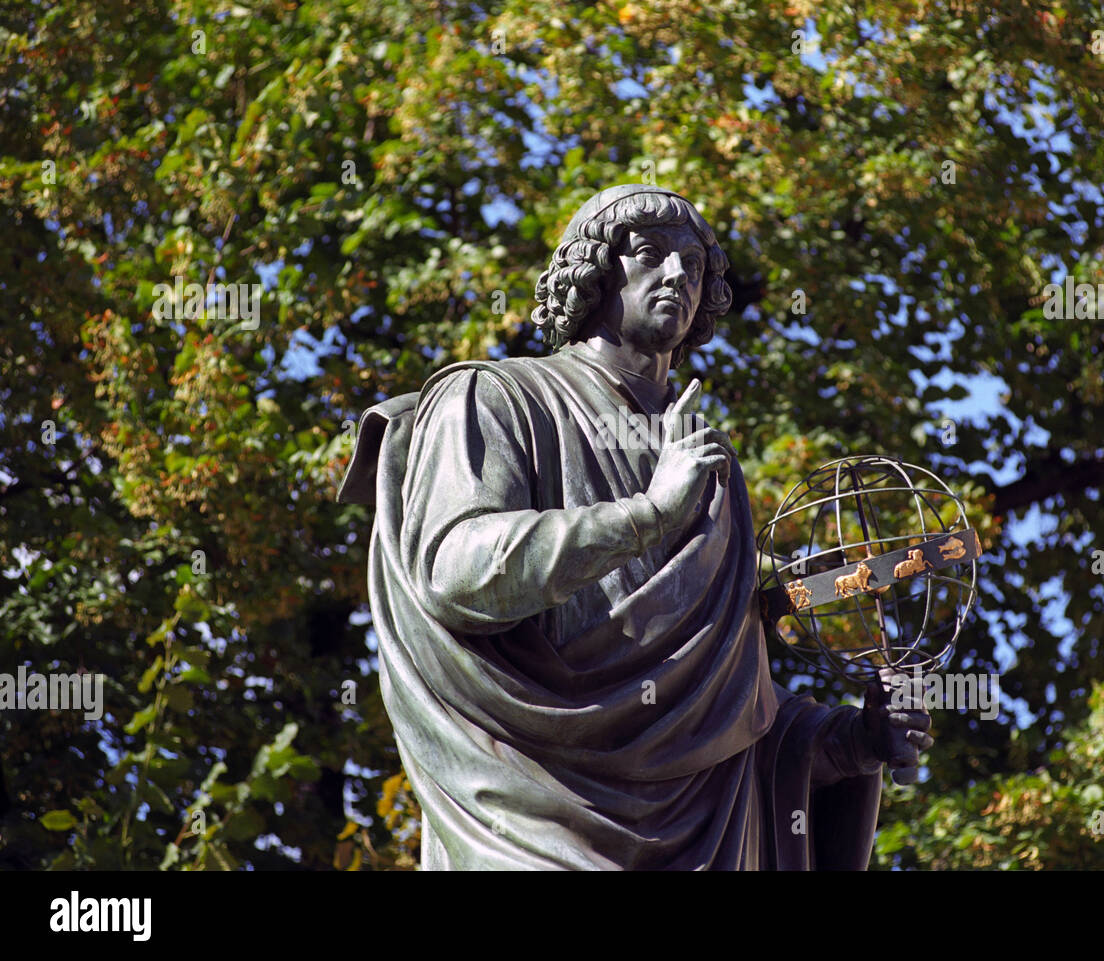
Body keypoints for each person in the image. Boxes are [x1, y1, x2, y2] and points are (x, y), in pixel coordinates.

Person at [338, 184, 932, 869]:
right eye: (651, 252)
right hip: (534, 817)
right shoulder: (497, 399)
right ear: (593, 273)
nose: (679, 274)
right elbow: (455, 571)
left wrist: (852, 742)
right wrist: (646, 515)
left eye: (697, 265)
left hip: (708, 840)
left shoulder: (711, 471)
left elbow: (729, 711)